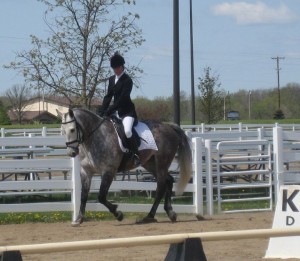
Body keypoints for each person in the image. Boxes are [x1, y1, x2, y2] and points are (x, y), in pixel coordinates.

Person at [98, 52, 140, 166]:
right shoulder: (111, 79)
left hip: (127, 112)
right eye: (114, 68)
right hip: (115, 112)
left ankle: (135, 154)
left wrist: (110, 109)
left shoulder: (127, 80)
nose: (116, 70)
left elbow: (123, 98)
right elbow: (108, 96)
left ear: (122, 66)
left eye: (117, 67)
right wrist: (102, 110)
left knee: (127, 130)